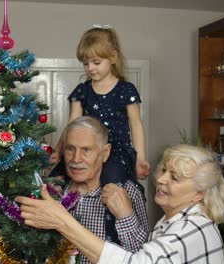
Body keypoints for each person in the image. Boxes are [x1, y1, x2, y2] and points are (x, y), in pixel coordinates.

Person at [17, 144, 224, 263]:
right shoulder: (174, 218)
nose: (162, 179)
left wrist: (62, 221)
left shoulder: (190, 227)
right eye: (164, 170)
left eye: (175, 178)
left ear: (198, 194)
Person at [49, 25, 151, 247]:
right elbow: (72, 125)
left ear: (112, 57)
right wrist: (59, 150)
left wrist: (140, 157)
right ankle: (62, 232)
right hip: (89, 147)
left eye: (96, 62)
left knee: (111, 186)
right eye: (86, 63)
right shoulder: (82, 90)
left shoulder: (126, 89)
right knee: (58, 177)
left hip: (116, 152)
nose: (90, 68)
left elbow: (136, 124)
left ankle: (110, 238)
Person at [48, 116, 149, 263]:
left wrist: (126, 216)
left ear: (105, 152)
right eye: (70, 149)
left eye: (86, 150)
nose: (76, 159)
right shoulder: (54, 191)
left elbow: (144, 258)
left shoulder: (127, 192)